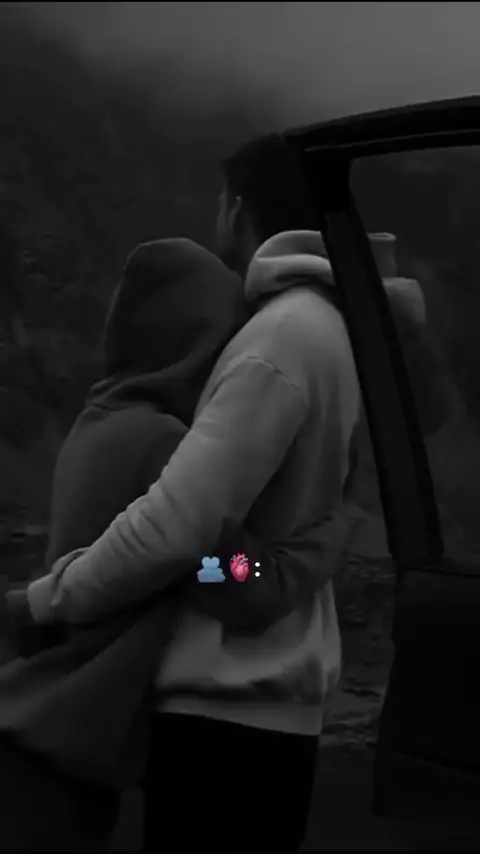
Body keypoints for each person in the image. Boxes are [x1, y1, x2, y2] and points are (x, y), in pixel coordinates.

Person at [25, 133, 361, 853]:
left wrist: (47, 599)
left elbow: (179, 538)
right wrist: (308, 554)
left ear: (237, 208)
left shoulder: (108, 421)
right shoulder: (326, 336)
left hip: (205, 718)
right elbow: (211, 562)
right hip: (215, 715)